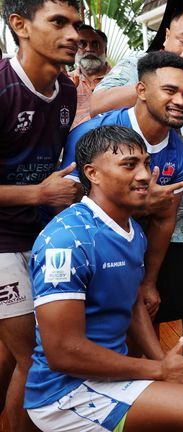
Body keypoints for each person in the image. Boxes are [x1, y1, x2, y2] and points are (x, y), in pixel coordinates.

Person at [26, 125, 183, 432]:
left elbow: (133, 302)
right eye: (129, 165)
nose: (146, 175)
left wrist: (165, 362)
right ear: (92, 173)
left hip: (109, 375)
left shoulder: (132, 232)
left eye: (146, 163)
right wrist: (158, 369)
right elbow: (62, 351)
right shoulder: (67, 240)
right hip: (66, 393)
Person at [62, 51, 183, 362]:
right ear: (141, 90)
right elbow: (66, 209)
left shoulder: (181, 156)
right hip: (76, 259)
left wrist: (148, 282)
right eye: (170, 90)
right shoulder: (92, 137)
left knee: (139, 328)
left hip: (130, 261)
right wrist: (139, 205)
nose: (181, 100)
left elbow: (164, 221)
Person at [0, 0, 80, 429]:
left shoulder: (66, 91)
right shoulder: (1, 87)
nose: (73, 34)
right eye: (58, 22)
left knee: (12, 357)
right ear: (20, 25)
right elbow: (41, 188)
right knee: (33, 359)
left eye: (76, 24)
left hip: (44, 237)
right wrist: (39, 193)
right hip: (1, 243)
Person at [68, 24, 110, 128]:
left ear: (105, 51)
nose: (89, 49)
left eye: (96, 44)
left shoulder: (123, 80)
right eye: (82, 44)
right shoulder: (65, 81)